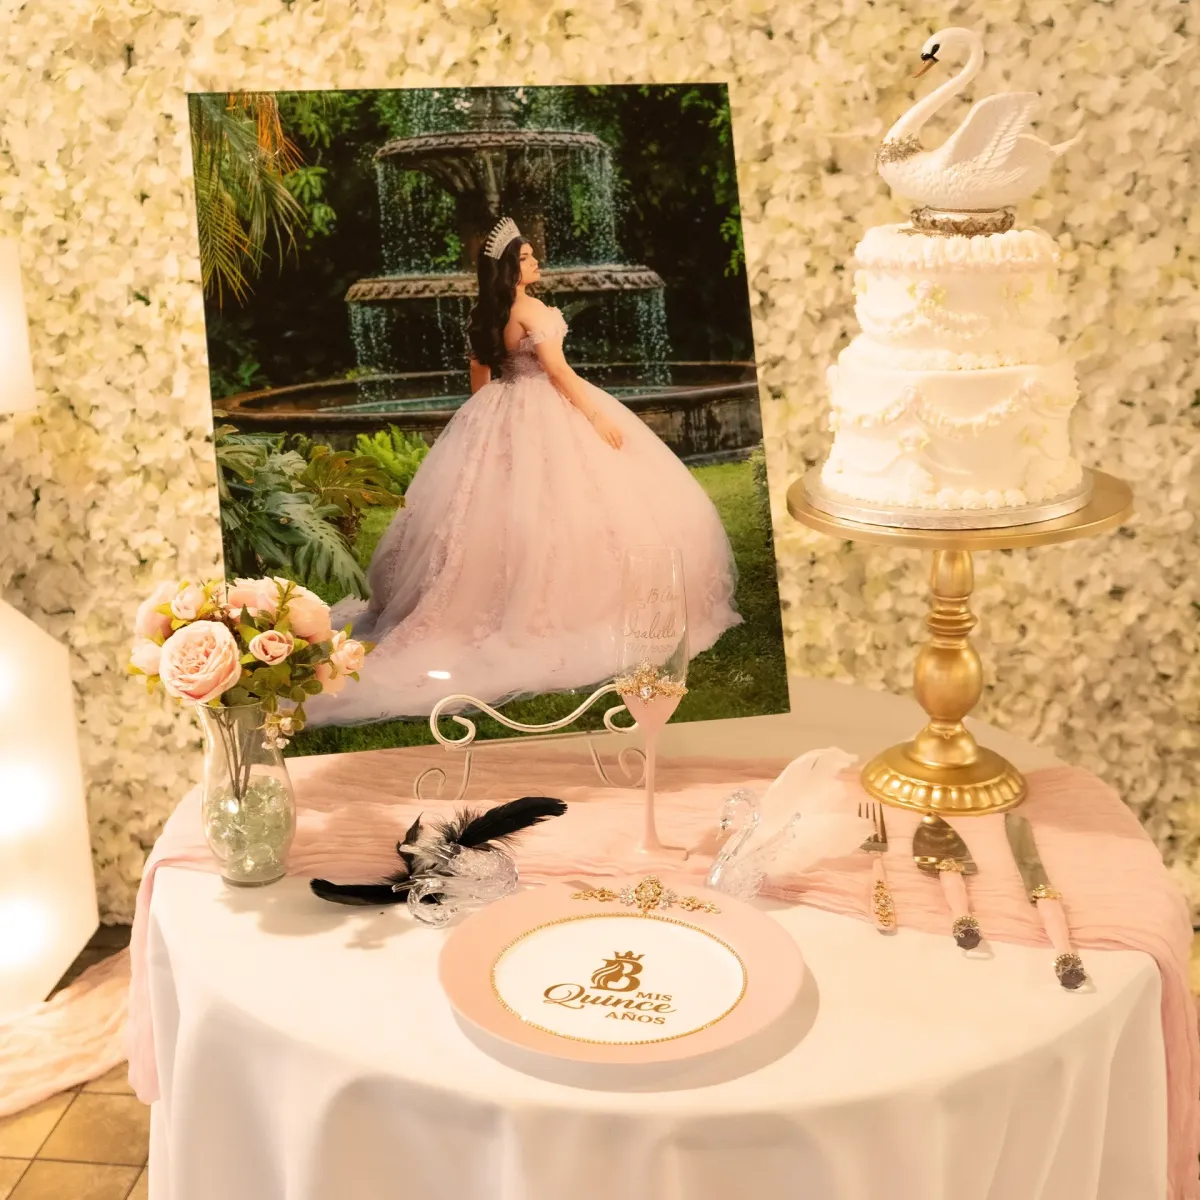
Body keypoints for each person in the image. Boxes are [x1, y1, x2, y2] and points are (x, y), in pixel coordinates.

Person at [306, 217, 741, 724]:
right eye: (528, 257)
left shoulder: (485, 313)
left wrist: (482, 422)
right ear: (512, 267)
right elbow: (557, 372)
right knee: (569, 505)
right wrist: (596, 416)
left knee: (486, 509)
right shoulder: (532, 310)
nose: (537, 262)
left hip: (499, 405)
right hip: (546, 407)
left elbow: (479, 374)